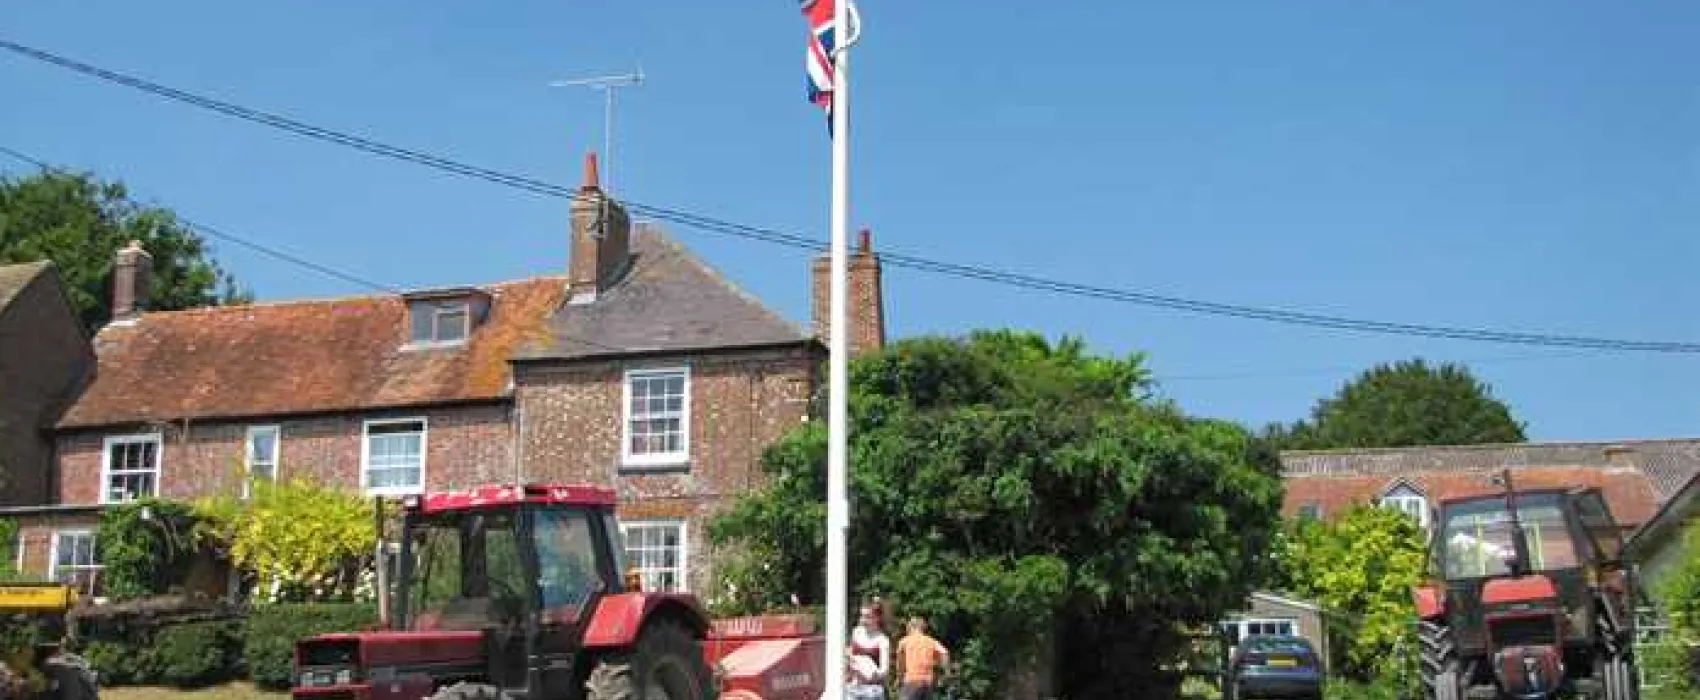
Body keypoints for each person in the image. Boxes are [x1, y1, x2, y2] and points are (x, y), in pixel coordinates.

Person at [894, 617, 950, 700]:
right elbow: (944, 653)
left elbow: (900, 663)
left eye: (908, 627)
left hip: (911, 680)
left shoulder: (904, 641)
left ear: (912, 627)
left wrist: (899, 678)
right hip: (927, 682)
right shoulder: (931, 641)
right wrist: (945, 673)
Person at [845, 601, 891, 700]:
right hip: (853, 687)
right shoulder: (856, 631)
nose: (862, 620)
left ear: (877, 618)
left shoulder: (882, 640)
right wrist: (849, 658)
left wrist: (871, 674)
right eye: (861, 616)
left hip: (873, 690)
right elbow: (850, 652)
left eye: (867, 617)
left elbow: (884, 670)